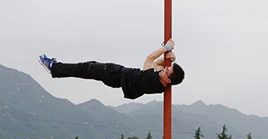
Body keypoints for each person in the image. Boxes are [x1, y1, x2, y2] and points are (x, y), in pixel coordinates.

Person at [38, 39, 185, 100]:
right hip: (117, 77)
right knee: (87, 67)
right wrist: (170, 58)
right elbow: (158, 64)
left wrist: (166, 48)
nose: (163, 70)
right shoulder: (159, 84)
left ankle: (53, 68)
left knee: (86, 68)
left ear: (168, 80)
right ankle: (55, 69)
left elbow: (149, 59)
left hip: (115, 74)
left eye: (167, 72)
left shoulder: (150, 80)